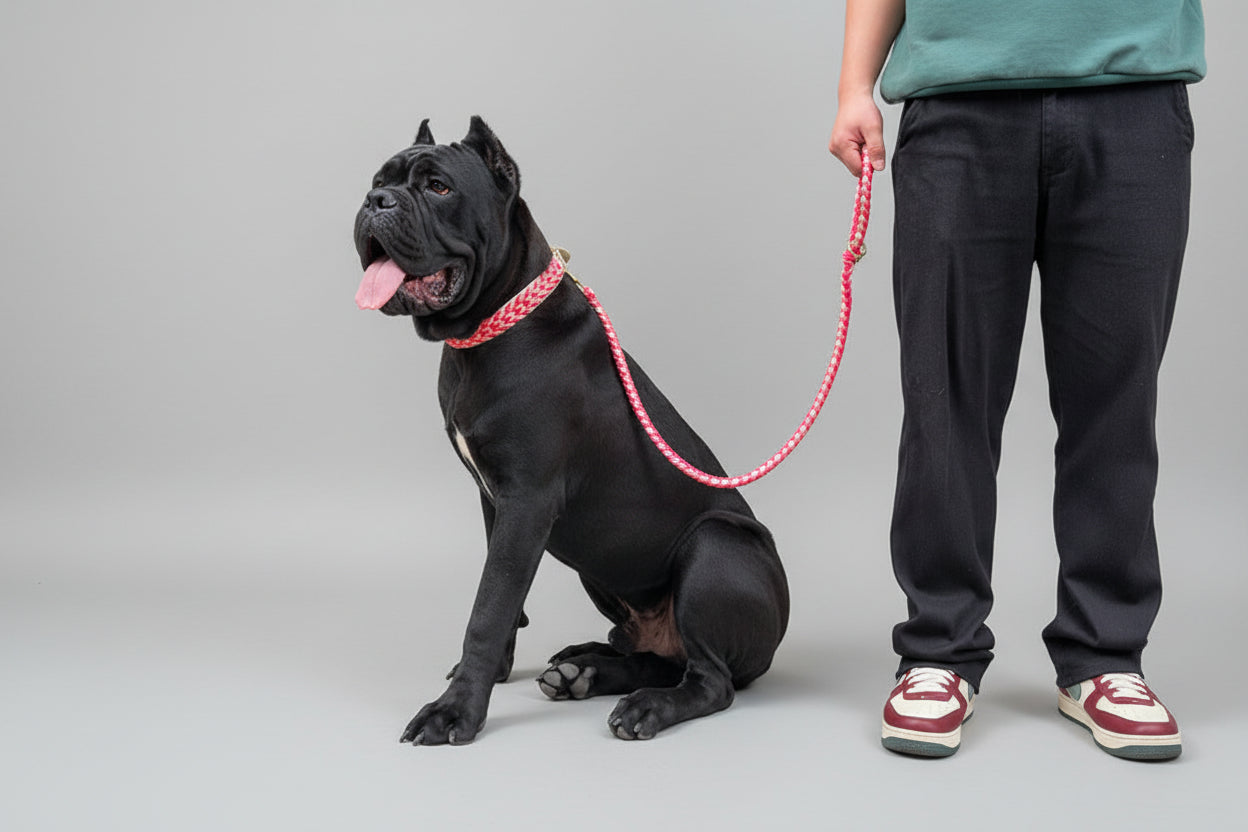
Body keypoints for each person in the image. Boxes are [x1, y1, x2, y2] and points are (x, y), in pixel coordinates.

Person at [829, 0, 1206, 760]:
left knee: (1117, 402)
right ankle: (938, 648)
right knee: (944, 398)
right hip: (957, 106)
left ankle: (1105, 655)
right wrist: (854, 87)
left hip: (1133, 100)